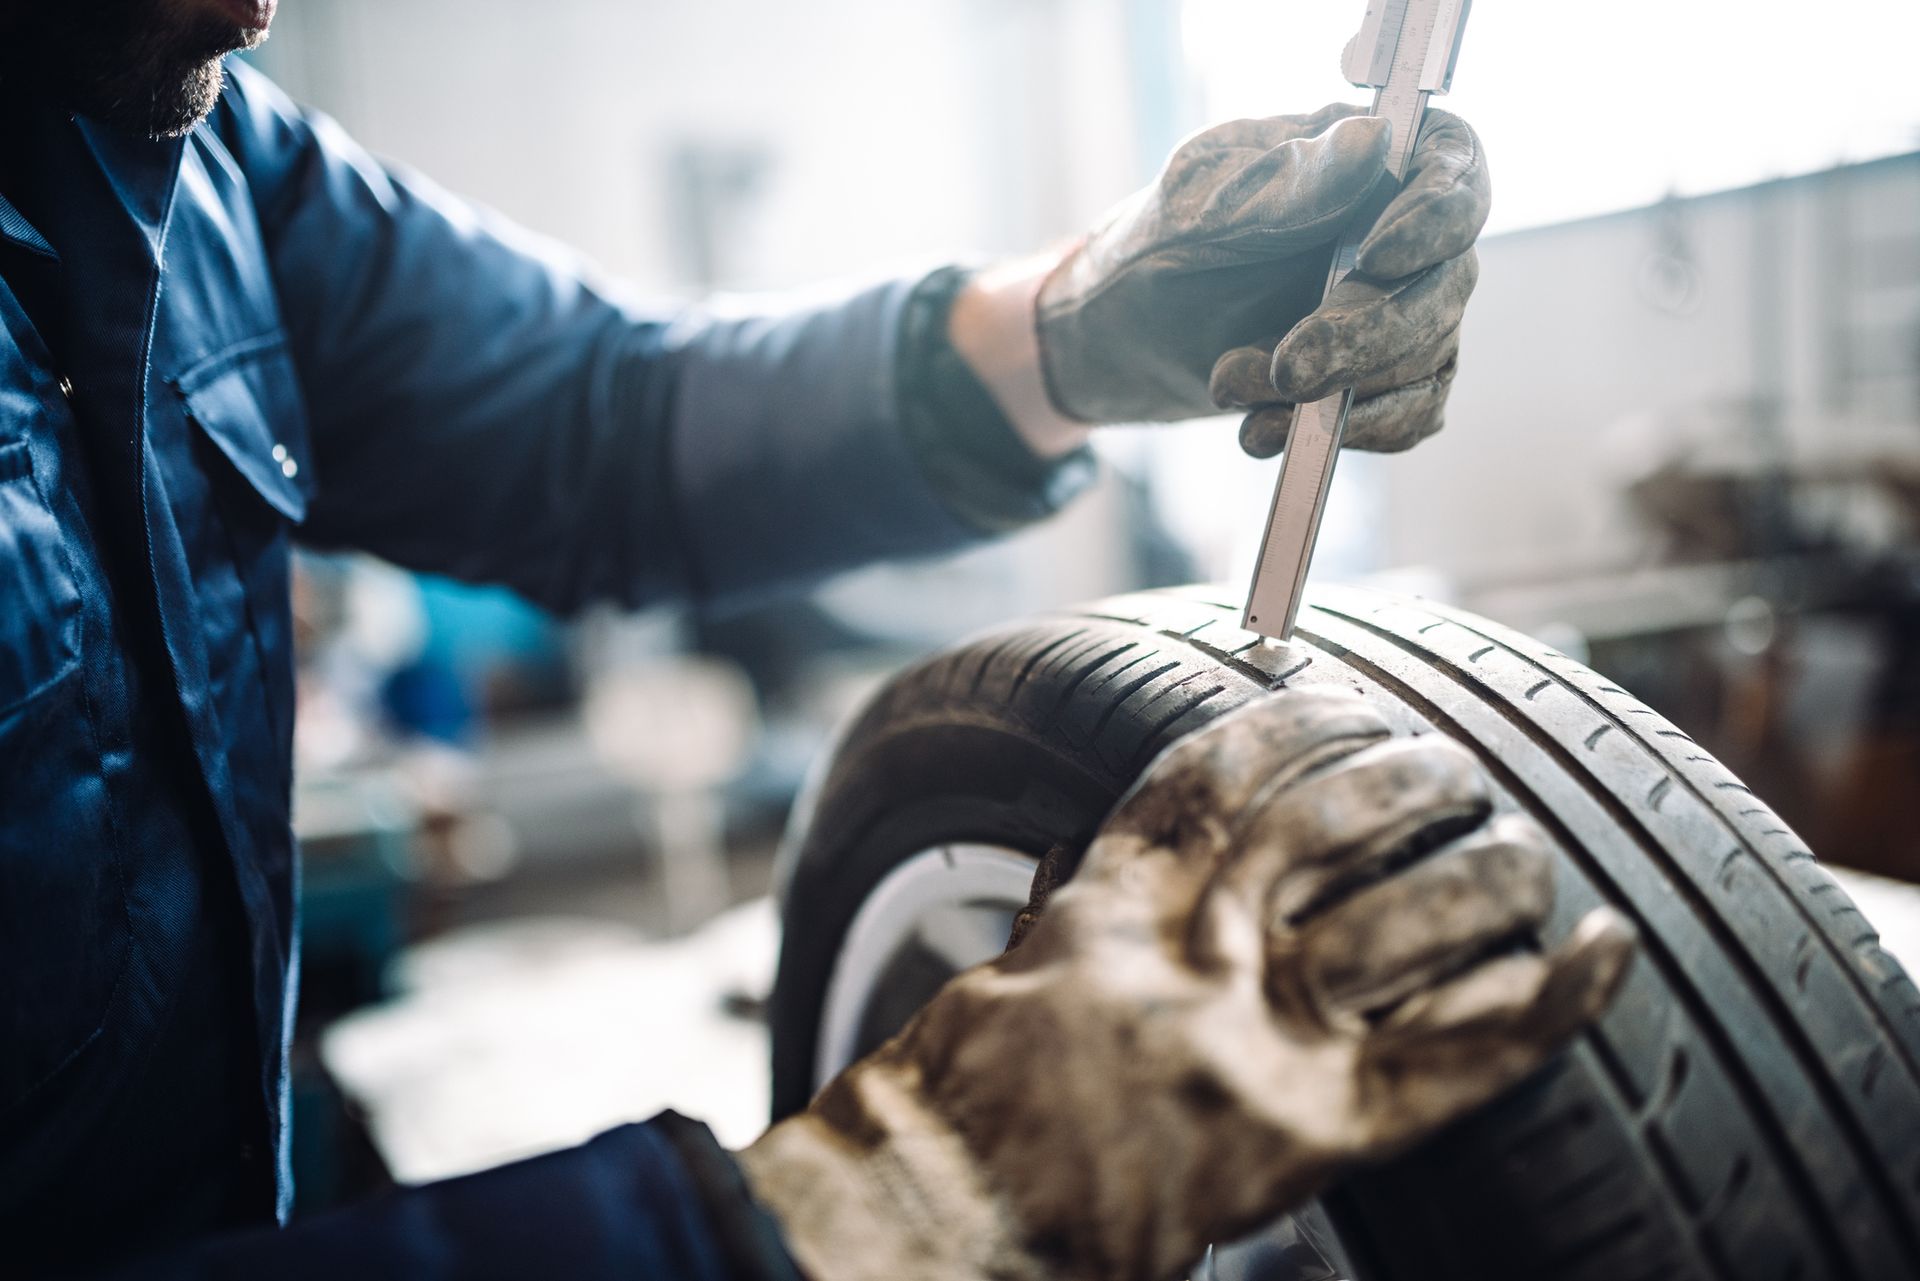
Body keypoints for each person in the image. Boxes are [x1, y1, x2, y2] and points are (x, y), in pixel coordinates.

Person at [0, 0, 1633, 1276]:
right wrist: (864, 1211)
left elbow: (606, 416)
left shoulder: (183, 152)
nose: (257, 19)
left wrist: (1072, 326)